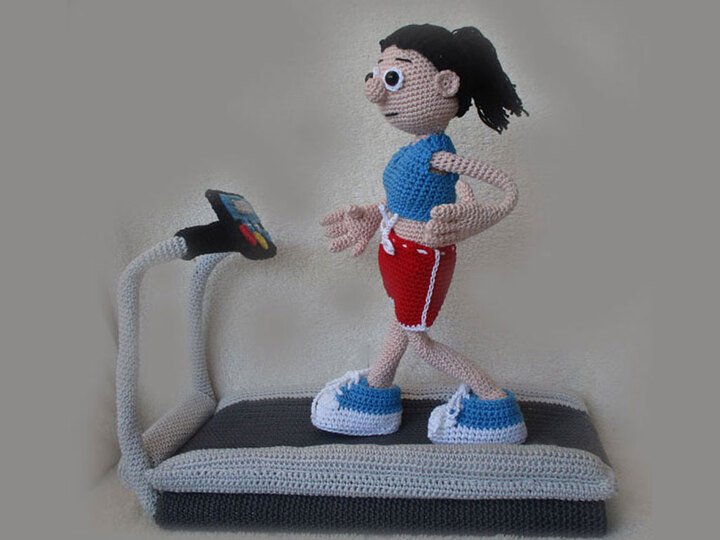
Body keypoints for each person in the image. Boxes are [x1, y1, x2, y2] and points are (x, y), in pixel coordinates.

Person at [312, 24, 528, 444]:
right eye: (377, 75)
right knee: (402, 320)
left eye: (394, 78)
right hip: (399, 252)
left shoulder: (439, 156)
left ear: (445, 85)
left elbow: (505, 190)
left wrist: (475, 216)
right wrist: (373, 214)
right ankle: (376, 390)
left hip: (421, 259)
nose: (377, 92)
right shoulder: (413, 150)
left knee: (418, 338)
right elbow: (403, 199)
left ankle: (492, 401)